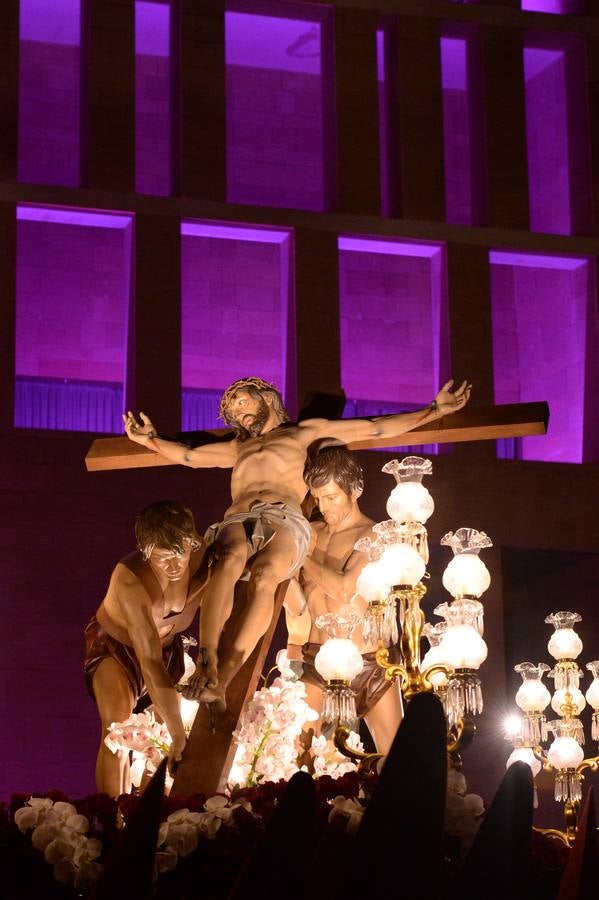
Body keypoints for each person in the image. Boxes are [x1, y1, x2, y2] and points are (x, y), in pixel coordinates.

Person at [123, 376, 471, 711]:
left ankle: (224, 676)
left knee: (265, 577)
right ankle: (208, 659)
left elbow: (374, 427)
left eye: (242, 398)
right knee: (227, 560)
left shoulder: (305, 433)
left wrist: (433, 411)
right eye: (231, 407)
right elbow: (188, 455)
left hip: (283, 518)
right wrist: (150, 440)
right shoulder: (238, 446)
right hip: (237, 518)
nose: (236, 408)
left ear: (268, 397)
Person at [84, 501, 208, 797]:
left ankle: (153, 810)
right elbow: (149, 661)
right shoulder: (130, 580)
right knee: (118, 730)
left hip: (168, 648)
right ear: (146, 552)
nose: (175, 566)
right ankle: (112, 816)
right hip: (118, 648)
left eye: (180, 554)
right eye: (163, 559)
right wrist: (179, 733)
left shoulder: (208, 558)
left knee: (167, 737)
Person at [287, 446, 403, 754]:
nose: (324, 506)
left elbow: (344, 589)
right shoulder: (310, 532)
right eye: (318, 498)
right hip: (317, 660)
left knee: (395, 760)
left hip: (370, 664)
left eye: (331, 497)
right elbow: (298, 602)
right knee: (299, 758)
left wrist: (302, 556)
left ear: (355, 490)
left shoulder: (373, 534)